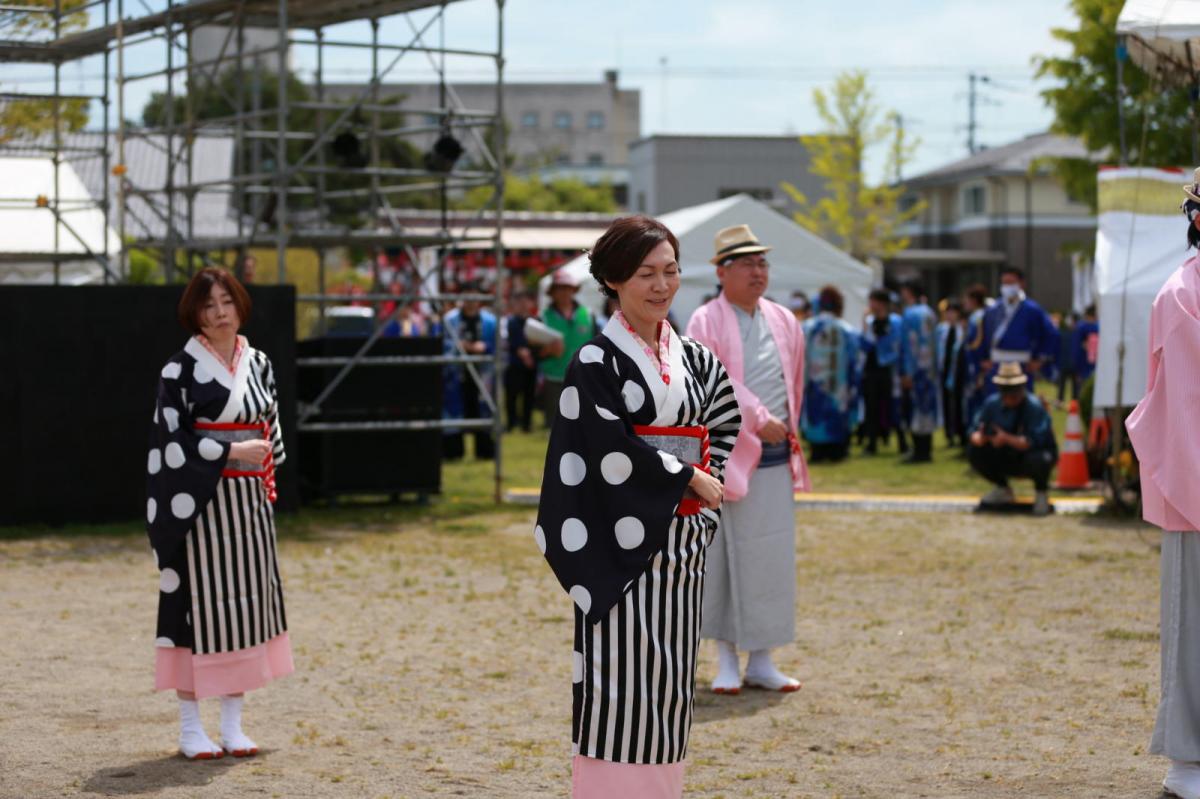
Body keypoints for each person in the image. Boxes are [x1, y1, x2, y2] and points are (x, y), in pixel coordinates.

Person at [535, 215, 740, 798]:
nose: (661, 285)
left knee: (671, 678)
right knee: (619, 678)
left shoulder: (694, 356)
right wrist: (685, 475)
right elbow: (600, 447)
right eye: (645, 273)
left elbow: (722, 418)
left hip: (683, 542)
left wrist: (708, 485)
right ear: (614, 280)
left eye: (671, 271)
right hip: (619, 547)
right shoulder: (596, 362)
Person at [147, 267, 292, 760]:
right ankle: (191, 728)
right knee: (193, 611)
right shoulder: (177, 370)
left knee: (244, 609)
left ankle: (232, 725)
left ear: (240, 304)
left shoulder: (261, 362)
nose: (220, 313)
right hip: (198, 508)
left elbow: (270, 426)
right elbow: (172, 441)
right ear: (195, 314)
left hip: (247, 506)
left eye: (227, 302)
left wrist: (262, 467)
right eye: (208, 306)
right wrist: (230, 454)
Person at [687, 223, 810, 695]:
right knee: (720, 555)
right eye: (747, 263)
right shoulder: (705, 320)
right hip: (724, 453)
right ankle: (723, 657)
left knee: (770, 554)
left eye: (762, 263)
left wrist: (784, 425)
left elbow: (795, 382)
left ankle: (762, 657)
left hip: (775, 453)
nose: (758, 272)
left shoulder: (783, 319)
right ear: (722, 272)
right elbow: (711, 378)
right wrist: (758, 416)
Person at [1126, 176, 1200, 799]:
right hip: (1197, 482)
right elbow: (1184, 407)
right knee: (1194, 628)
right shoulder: (1182, 295)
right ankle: (1185, 762)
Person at [967, 362, 1057, 516]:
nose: (1010, 395)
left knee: (1040, 459)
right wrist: (981, 438)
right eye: (1006, 391)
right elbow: (974, 430)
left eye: (1014, 391)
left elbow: (1032, 442)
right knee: (974, 451)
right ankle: (1002, 489)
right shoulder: (992, 404)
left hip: (1031, 455)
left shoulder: (1033, 407)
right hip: (1005, 455)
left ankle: (1041, 493)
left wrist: (1005, 438)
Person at [801, 285, 860, 462]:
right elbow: (854, 361)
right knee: (837, 413)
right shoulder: (847, 330)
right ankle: (837, 451)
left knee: (816, 415)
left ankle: (817, 450)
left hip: (814, 384)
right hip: (838, 386)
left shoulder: (808, 328)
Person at [979, 266, 1057, 398]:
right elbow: (981, 336)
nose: (1007, 287)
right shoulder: (993, 309)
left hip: (1022, 366)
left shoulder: (1033, 310)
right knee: (995, 402)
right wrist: (982, 359)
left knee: (1022, 402)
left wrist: (1040, 359)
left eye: (1011, 283)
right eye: (1004, 283)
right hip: (996, 365)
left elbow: (1051, 334)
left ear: (1021, 284)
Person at [442, 283, 496, 460]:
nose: (471, 301)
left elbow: (498, 346)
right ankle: (454, 452)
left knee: (483, 409)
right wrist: (462, 346)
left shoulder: (490, 321)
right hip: (456, 374)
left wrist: (485, 348)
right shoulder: (450, 320)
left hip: (483, 374)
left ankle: (484, 452)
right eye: (467, 296)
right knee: (455, 411)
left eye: (474, 297)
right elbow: (444, 343)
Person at [540, 268, 597, 428]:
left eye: (568, 288)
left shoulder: (587, 315)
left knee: (582, 423)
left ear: (573, 290)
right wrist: (547, 351)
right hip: (554, 376)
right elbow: (534, 352)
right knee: (555, 425)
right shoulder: (543, 316)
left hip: (582, 376)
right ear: (553, 292)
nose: (564, 292)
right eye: (560, 288)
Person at [860, 288, 906, 455]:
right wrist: (865, 325)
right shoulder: (871, 322)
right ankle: (872, 443)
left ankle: (902, 442)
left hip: (889, 370)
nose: (870, 305)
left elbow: (898, 346)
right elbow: (865, 346)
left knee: (893, 406)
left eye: (873, 301)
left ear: (882, 303)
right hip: (872, 370)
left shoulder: (895, 322)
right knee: (871, 407)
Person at [898, 279, 939, 463]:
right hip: (929, 369)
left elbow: (908, 345)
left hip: (916, 369)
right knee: (927, 408)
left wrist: (906, 371)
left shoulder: (910, 314)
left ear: (909, 292)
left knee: (914, 408)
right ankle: (926, 449)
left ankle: (919, 450)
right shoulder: (930, 313)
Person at [504, 290, 538, 433]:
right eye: (520, 302)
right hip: (514, 364)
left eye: (526, 301)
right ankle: (511, 423)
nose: (524, 305)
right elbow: (514, 342)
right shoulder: (512, 321)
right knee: (511, 396)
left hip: (532, 366)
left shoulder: (536, 321)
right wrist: (525, 355)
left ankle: (526, 424)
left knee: (529, 396)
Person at [938, 300, 969, 447]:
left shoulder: (962, 329)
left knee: (957, 402)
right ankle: (949, 433)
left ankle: (960, 432)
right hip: (944, 369)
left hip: (958, 371)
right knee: (945, 401)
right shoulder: (941, 329)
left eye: (953, 312)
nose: (950, 315)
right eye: (947, 312)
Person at [962, 284, 990, 442]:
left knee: (975, 406)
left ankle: (974, 440)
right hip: (980, 368)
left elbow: (975, 346)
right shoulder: (986, 314)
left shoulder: (976, 318)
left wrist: (978, 369)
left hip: (976, 369)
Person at [1071, 305, 1099, 393]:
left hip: (1083, 365)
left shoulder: (1081, 327)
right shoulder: (1100, 327)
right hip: (1097, 366)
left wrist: (1076, 367)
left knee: (1082, 391)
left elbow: (1075, 349)